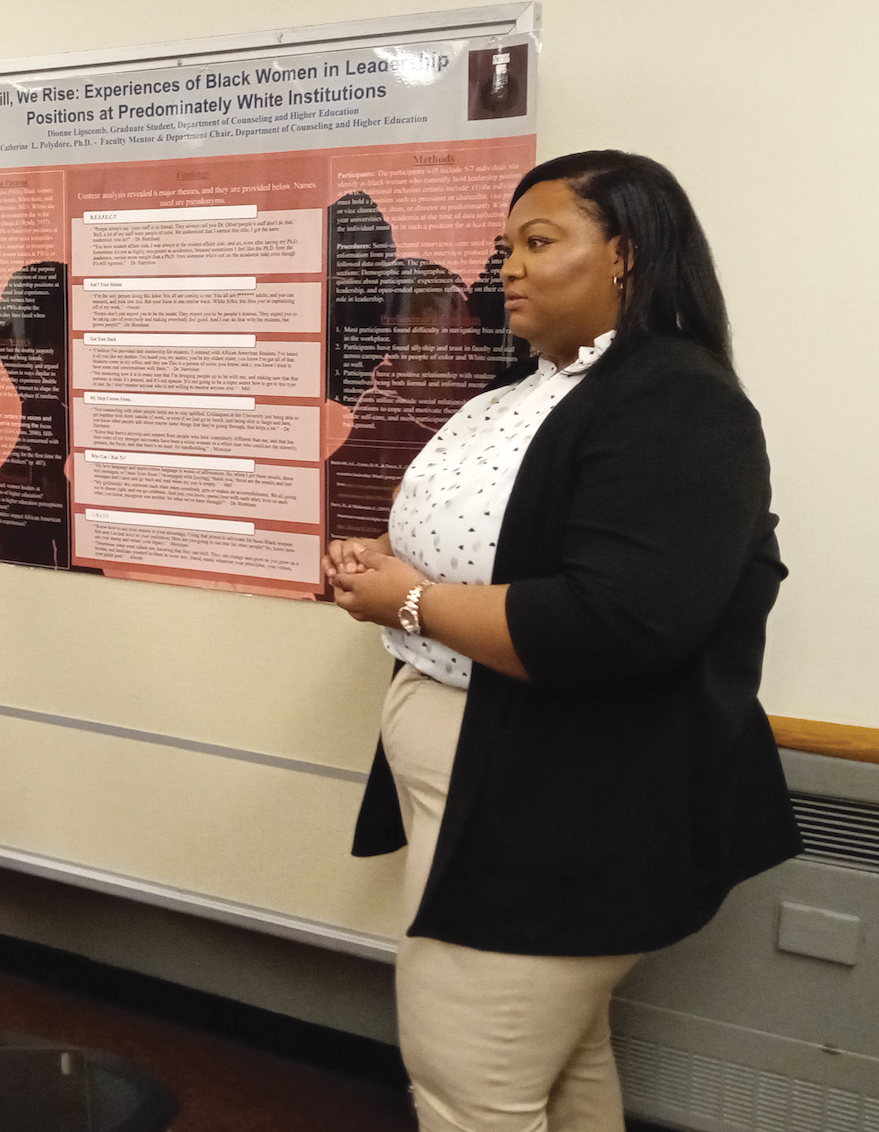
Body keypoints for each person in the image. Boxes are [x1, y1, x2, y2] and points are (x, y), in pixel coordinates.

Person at [324, 151, 800, 1132]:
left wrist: (409, 601)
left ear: (626, 256)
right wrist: (387, 560)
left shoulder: (677, 402)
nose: (505, 266)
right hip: (479, 786)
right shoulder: (530, 389)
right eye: (503, 246)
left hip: (558, 796)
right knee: (555, 1061)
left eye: (539, 242)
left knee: (471, 1083)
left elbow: (614, 618)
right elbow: (508, 549)